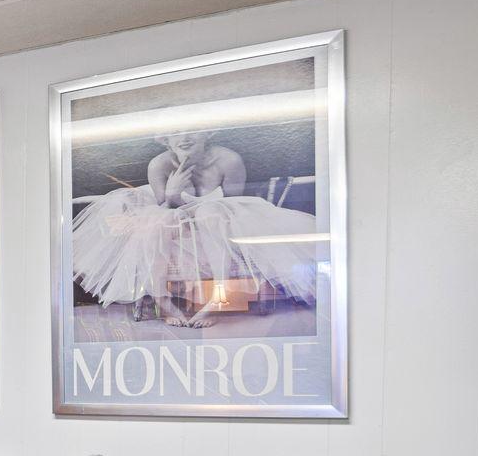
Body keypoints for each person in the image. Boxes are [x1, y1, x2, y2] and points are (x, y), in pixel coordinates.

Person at [71, 130, 319, 326]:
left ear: (207, 133)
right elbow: (165, 207)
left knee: (210, 213)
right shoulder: (159, 165)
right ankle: (163, 301)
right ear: (165, 139)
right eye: (176, 132)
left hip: (217, 223)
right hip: (175, 222)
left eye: (192, 131)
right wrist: (173, 192)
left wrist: (190, 206)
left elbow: (231, 206)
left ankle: (218, 298)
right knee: (160, 221)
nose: (184, 138)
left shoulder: (229, 161)